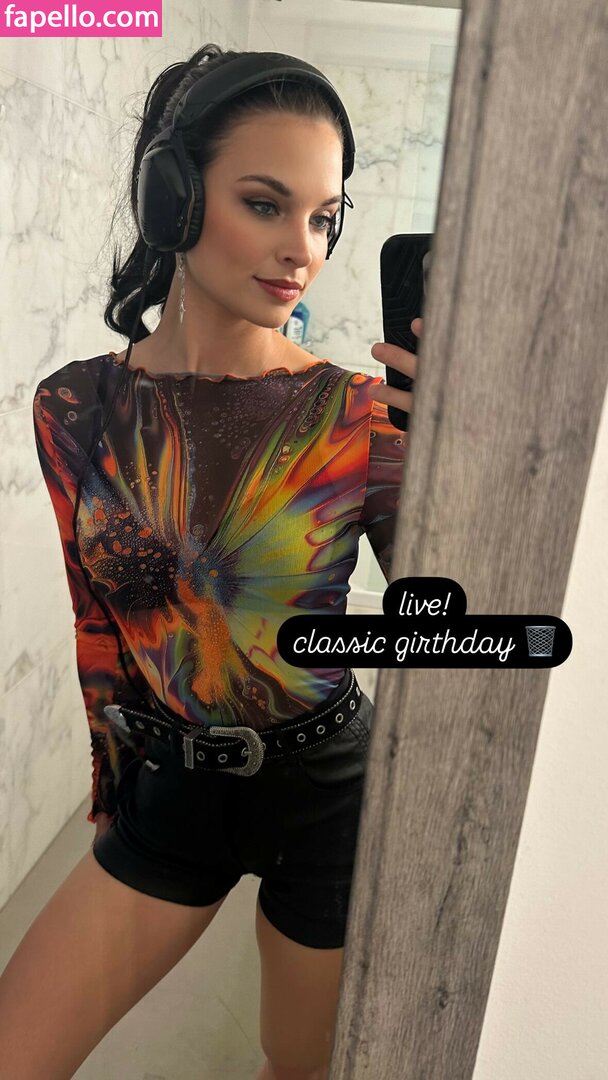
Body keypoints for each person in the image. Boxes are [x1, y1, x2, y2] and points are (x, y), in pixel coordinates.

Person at [0, 44, 421, 1080]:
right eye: (264, 204)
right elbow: (98, 627)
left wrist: (455, 459)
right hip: (171, 787)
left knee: (298, 1068)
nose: (300, 250)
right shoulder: (74, 407)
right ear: (173, 197)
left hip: (327, 789)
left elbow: (444, 616)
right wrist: (113, 791)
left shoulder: (357, 415)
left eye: (322, 217)